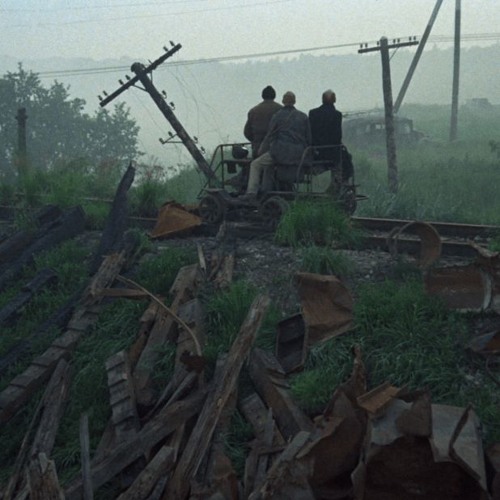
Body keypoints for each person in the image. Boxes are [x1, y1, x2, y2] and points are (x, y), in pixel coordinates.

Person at [242, 91, 311, 199]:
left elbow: (270, 135)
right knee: (269, 165)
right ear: (294, 101)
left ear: (283, 101)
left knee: (255, 164)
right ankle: (271, 190)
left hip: (280, 153)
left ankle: (251, 193)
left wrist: (261, 150)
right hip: (298, 154)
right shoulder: (303, 117)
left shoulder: (277, 116)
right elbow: (308, 138)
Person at [244, 85, 283, 159]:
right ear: (274, 95)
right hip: (278, 149)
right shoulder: (281, 110)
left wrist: (256, 140)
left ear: (262, 96)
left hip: (258, 148)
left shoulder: (253, 111)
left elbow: (247, 132)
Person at [308, 89, 343, 167]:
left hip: (316, 152)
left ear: (323, 99)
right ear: (333, 99)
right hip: (332, 153)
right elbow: (338, 136)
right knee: (346, 159)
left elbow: (310, 133)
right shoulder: (337, 115)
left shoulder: (313, 113)